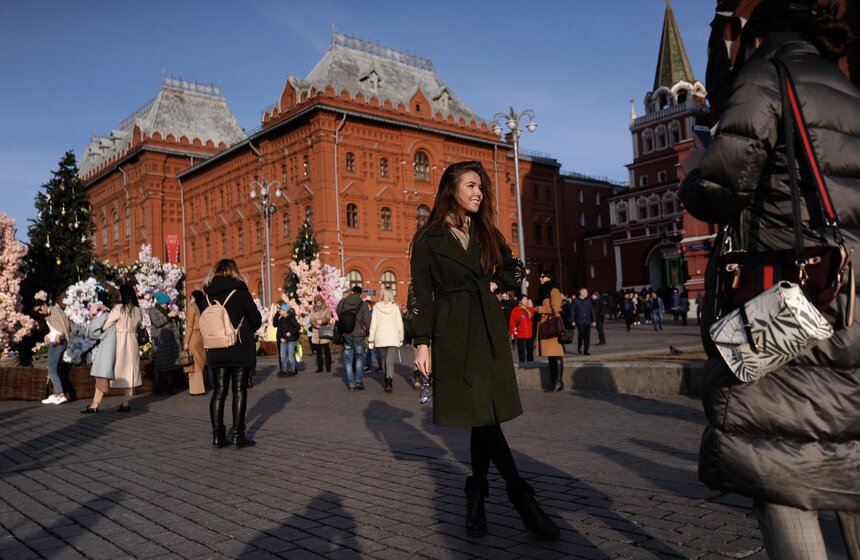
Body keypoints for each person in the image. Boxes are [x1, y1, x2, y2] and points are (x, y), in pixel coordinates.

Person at [679, 2, 860, 557]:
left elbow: (721, 186)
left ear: (755, 38)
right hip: (850, 297)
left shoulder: (767, 76)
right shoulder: (847, 89)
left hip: (787, 302)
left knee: (779, 465)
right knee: (849, 457)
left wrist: (693, 178)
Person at [409, 161, 558, 540]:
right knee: (484, 417)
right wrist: (422, 344)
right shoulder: (428, 238)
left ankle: (476, 494)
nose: (479, 193)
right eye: (472, 186)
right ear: (451, 189)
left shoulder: (485, 230)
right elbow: (420, 294)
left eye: (481, 187)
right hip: (453, 332)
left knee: (484, 416)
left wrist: (494, 285)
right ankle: (521, 497)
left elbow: (517, 268)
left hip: (489, 328)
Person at [204, 259, 263, 448]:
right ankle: (238, 434)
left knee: (219, 392)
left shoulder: (206, 294)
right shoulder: (240, 292)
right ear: (234, 272)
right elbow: (256, 319)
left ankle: (217, 436)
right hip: (239, 348)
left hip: (215, 349)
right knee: (239, 390)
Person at [101, 284, 142, 412]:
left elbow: (106, 325)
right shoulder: (137, 309)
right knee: (130, 371)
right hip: (133, 340)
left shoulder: (119, 308)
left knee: (116, 368)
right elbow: (139, 324)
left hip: (120, 340)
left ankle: (97, 400)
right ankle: (126, 401)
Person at [33, 292, 71, 405]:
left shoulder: (55, 310)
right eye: (37, 311)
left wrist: (61, 335)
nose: (40, 312)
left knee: (52, 368)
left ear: (44, 304)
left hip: (58, 343)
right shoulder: (50, 315)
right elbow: (55, 330)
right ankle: (56, 394)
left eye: (40, 309)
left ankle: (61, 394)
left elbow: (64, 325)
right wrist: (47, 336)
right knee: (54, 368)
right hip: (55, 342)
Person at [80, 299, 115, 413]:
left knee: (101, 376)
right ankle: (125, 403)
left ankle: (94, 405)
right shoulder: (109, 314)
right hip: (115, 346)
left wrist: (94, 320)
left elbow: (93, 332)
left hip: (108, 348)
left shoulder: (103, 315)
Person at [368, 288, 404, 393]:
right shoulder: (395, 308)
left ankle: (386, 379)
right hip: (393, 337)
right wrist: (401, 338)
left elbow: (373, 325)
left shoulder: (376, 307)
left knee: (384, 360)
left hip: (380, 337)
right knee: (390, 361)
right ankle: (389, 381)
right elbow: (399, 325)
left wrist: (371, 340)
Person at [336, 286, 371, 391]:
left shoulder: (342, 302)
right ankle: (358, 382)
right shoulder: (363, 304)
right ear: (360, 294)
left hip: (346, 334)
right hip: (359, 334)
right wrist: (367, 333)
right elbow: (367, 321)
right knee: (359, 357)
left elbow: (338, 313)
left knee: (348, 359)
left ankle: (351, 384)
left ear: (351, 292)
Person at [536, 272, 565, 393]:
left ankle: (558, 381)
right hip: (546, 325)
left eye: (543, 276)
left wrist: (539, 309)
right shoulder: (544, 291)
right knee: (550, 355)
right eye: (540, 276)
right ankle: (555, 382)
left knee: (556, 354)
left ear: (549, 278)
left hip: (552, 326)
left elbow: (555, 308)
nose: (540, 278)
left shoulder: (554, 291)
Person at [149, 292, 181, 394]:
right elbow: (157, 323)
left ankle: (170, 386)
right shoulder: (153, 310)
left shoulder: (167, 310)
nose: (167, 305)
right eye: (165, 303)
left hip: (170, 341)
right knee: (159, 365)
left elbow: (171, 323)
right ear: (160, 302)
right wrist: (169, 315)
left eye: (168, 303)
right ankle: (157, 387)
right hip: (160, 340)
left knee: (170, 364)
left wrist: (175, 316)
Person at [183, 290, 207, 395]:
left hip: (193, 336)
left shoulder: (191, 307)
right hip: (201, 336)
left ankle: (196, 389)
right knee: (201, 361)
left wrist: (186, 341)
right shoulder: (202, 306)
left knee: (194, 364)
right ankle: (202, 386)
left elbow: (189, 326)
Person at [273, 303, 300, 377]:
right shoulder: (281, 319)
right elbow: (279, 330)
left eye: (281, 310)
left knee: (291, 356)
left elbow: (297, 327)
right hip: (283, 340)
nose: (280, 311)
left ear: (285, 311)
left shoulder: (291, 318)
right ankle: (283, 371)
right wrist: (281, 338)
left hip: (291, 340)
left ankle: (292, 370)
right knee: (282, 357)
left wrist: (290, 333)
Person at [309, 295, 332, 373]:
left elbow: (328, 317)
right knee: (318, 351)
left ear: (322, 302)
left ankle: (328, 366)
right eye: (317, 303)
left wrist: (322, 321)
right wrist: (315, 324)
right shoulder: (313, 309)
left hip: (324, 330)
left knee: (326, 350)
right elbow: (311, 319)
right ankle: (320, 367)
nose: (318, 304)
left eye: (319, 302)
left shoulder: (326, 308)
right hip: (316, 331)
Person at [569, 287, 596, 356]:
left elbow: (592, 311)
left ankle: (586, 350)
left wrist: (594, 320)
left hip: (587, 320)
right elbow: (572, 311)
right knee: (582, 334)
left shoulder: (588, 300)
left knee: (587, 336)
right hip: (579, 321)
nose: (587, 293)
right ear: (581, 293)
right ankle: (579, 345)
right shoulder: (575, 300)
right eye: (586, 292)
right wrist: (573, 320)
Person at [508, 294, 534, 363]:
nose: (526, 301)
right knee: (521, 351)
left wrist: (527, 310)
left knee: (530, 351)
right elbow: (512, 323)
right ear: (520, 301)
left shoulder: (530, 309)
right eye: (524, 299)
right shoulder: (515, 310)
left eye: (526, 299)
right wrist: (512, 334)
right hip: (520, 334)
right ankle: (522, 363)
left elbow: (531, 317)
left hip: (529, 333)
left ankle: (530, 363)